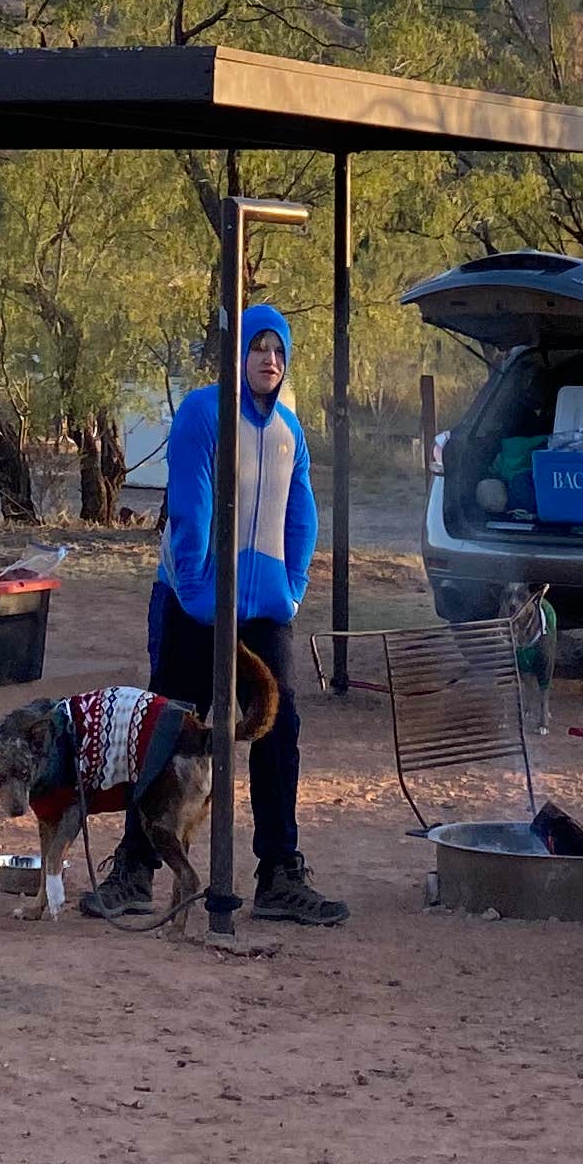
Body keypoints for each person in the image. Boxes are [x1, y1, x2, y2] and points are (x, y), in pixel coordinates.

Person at [93, 300, 345, 928]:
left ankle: (280, 874)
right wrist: (202, 596)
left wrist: (292, 588)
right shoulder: (204, 413)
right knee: (167, 731)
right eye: (260, 347)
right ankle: (134, 868)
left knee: (277, 725)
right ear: (239, 355)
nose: (270, 359)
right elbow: (189, 513)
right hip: (193, 601)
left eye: (279, 350)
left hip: (262, 608)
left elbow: (303, 514)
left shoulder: (289, 428)